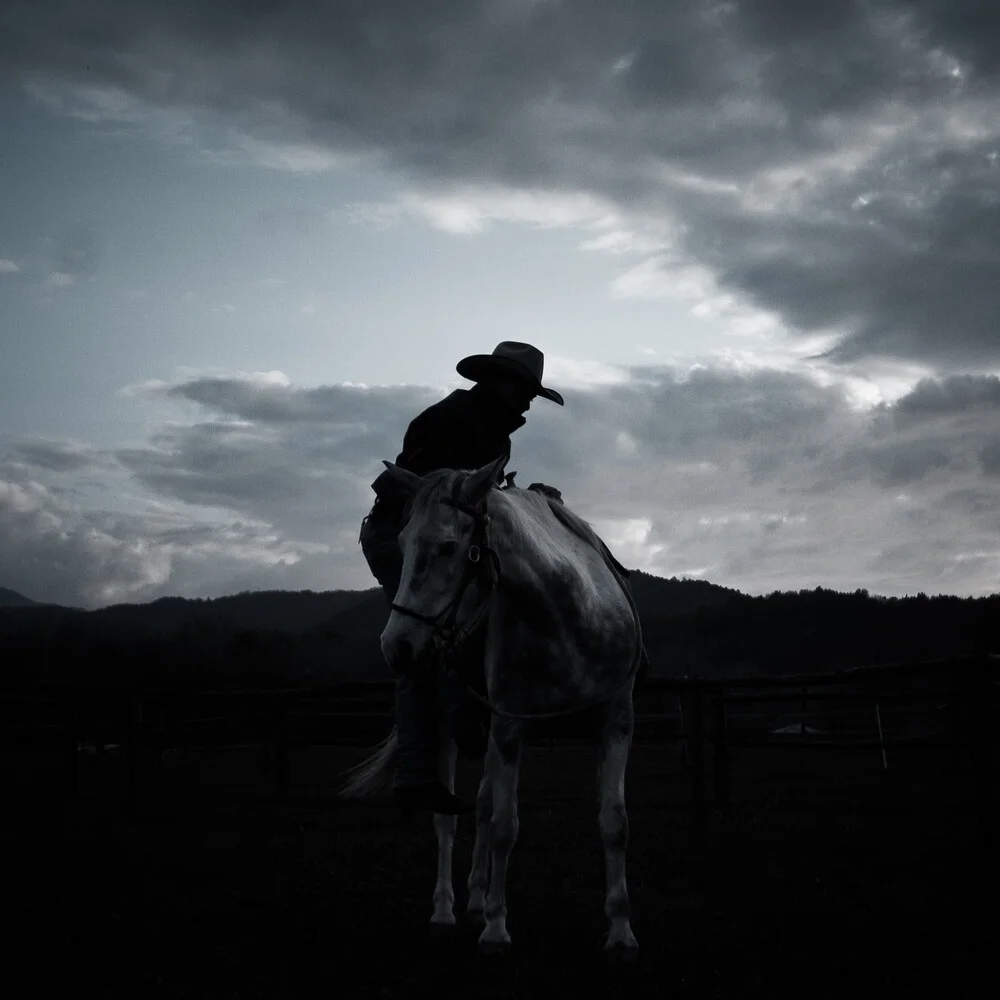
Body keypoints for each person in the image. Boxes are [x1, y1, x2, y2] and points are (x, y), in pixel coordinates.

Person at [359, 342, 565, 815]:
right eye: (526, 392)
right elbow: (433, 498)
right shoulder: (444, 420)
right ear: (500, 383)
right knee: (421, 635)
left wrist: (523, 497)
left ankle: (465, 719)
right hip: (402, 537)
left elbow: (478, 499)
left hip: (440, 539)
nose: (529, 403)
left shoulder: (495, 435)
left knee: (469, 618)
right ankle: (420, 769)